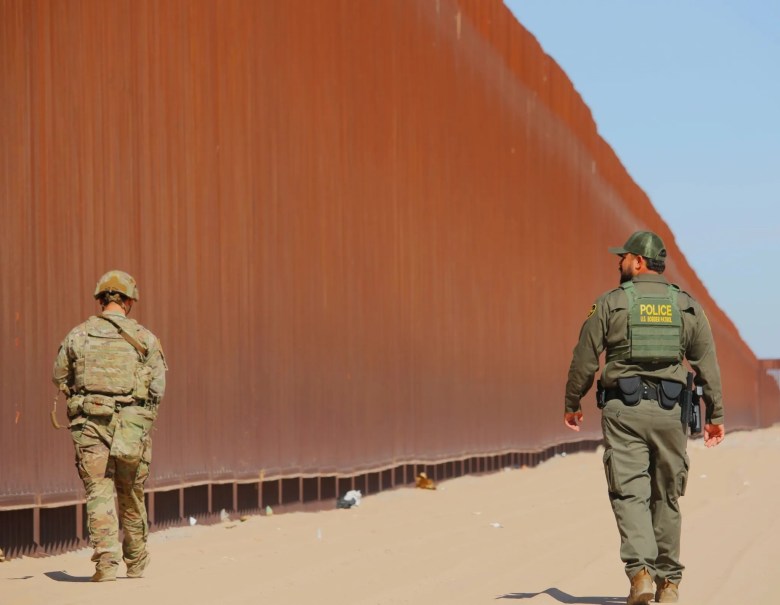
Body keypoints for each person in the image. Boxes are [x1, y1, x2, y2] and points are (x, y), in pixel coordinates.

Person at [563, 231, 725, 605]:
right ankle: (669, 584)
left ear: (638, 262)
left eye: (623, 258)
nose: (617, 263)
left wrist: (573, 402)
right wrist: (715, 413)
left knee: (630, 494)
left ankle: (641, 576)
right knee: (666, 497)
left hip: (624, 412)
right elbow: (707, 364)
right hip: (672, 413)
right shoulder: (686, 306)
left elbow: (584, 359)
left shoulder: (611, 303)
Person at [52, 270, 167, 581]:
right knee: (130, 492)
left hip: (89, 423)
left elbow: (59, 375)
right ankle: (137, 561)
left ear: (100, 300)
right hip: (130, 426)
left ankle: (105, 564)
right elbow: (158, 386)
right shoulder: (144, 338)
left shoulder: (78, 335)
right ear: (129, 302)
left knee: (99, 491)